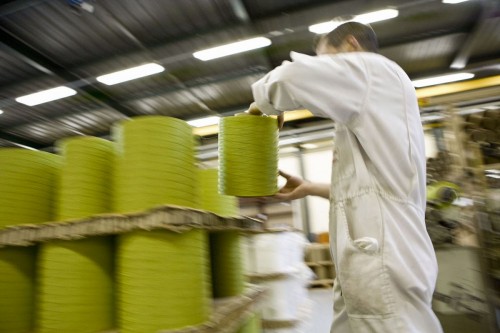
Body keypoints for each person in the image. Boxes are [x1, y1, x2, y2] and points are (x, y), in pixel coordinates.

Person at [251, 22, 443, 333]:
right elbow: (372, 186)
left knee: (388, 324)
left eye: (328, 59)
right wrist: (312, 187)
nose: (328, 70)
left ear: (352, 45)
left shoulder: (371, 69)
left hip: (380, 250)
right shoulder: (371, 99)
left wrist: (259, 104)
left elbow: (290, 77)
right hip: (371, 245)